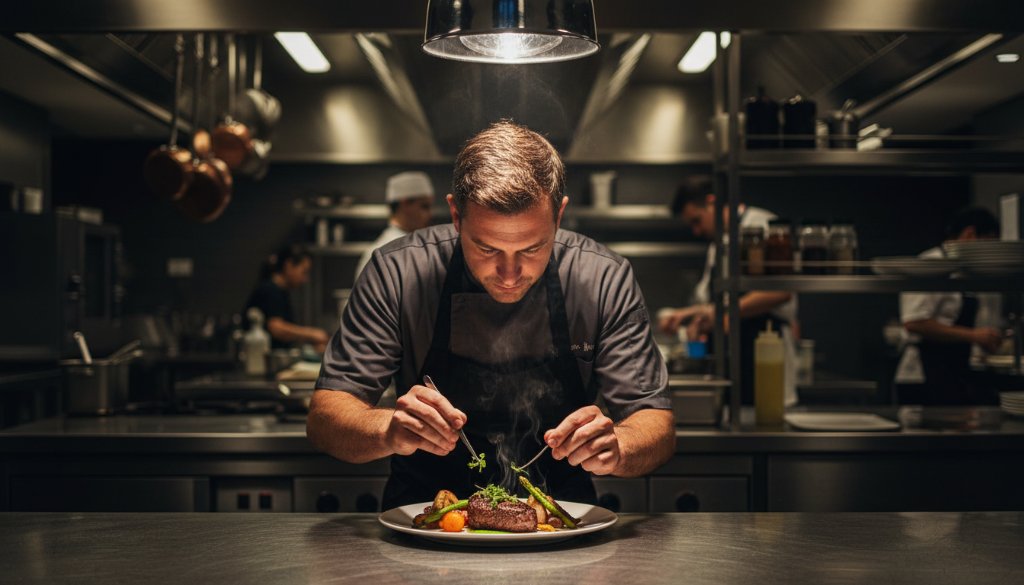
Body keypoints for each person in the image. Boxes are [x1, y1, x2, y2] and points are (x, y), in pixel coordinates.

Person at [308, 121, 674, 509]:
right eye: (486, 249)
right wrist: (386, 429)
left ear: (559, 216)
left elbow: (655, 422)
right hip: (423, 522)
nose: (510, 274)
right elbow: (325, 417)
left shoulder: (602, 279)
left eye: (533, 248)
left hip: (562, 521)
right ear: (455, 215)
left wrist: (620, 446)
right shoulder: (397, 272)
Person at [657, 177, 798, 405]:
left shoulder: (764, 225)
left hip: (765, 352)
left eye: (697, 220)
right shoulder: (718, 245)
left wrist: (721, 314)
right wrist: (689, 315)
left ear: (712, 202)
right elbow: (718, 303)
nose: (696, 230)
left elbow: (781, 290)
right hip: (731, 364)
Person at [894, 207, 1003, 404]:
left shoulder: (966, 270)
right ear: (970, 234)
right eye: (989, 243)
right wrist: (974, 336)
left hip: (954, 371)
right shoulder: (930, 264)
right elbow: (915, 323)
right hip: (923, 375)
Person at [245, 244, 330, 353]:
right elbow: (276, 328)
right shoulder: (270, 290)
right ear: (289, 265)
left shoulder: (280, 291)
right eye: (304, 272)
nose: (305, 279)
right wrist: (311, 334)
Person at [354, 171, 435, 278]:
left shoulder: (415, 243)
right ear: (405, 204)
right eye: (424, 206)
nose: (430, 215)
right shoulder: (387, 252)